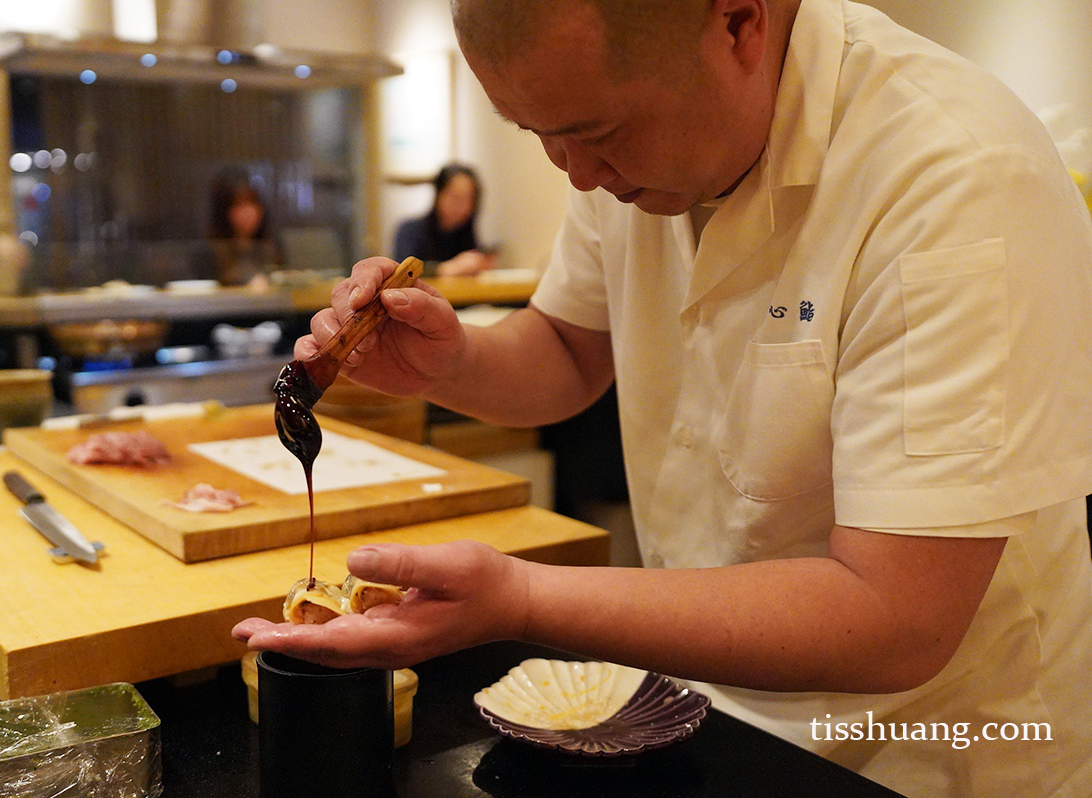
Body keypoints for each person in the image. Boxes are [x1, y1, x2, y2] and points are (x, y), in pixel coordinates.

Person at [234, 1, 1092, 795]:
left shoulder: (958, 178)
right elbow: (569, 351)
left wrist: (521, 601)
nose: (573, 175)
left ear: (739, 23)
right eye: (538, 133)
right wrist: (450, 367)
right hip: (702, 711)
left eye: (594, 132)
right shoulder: (629, 161)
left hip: (929, 753)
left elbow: (896, 613)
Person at [392, 163, 498, 277]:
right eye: (455, 197)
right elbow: (403, 273)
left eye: (469, 198)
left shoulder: (464, 232)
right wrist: (446, 269)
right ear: (438, 194)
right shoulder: (410, 230)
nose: (463, 205)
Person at [204, 174, 281, 288]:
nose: (247, 212)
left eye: (252, 204)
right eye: (238, 205)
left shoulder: (271, 244)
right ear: (224, 211)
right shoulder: (212, 249)